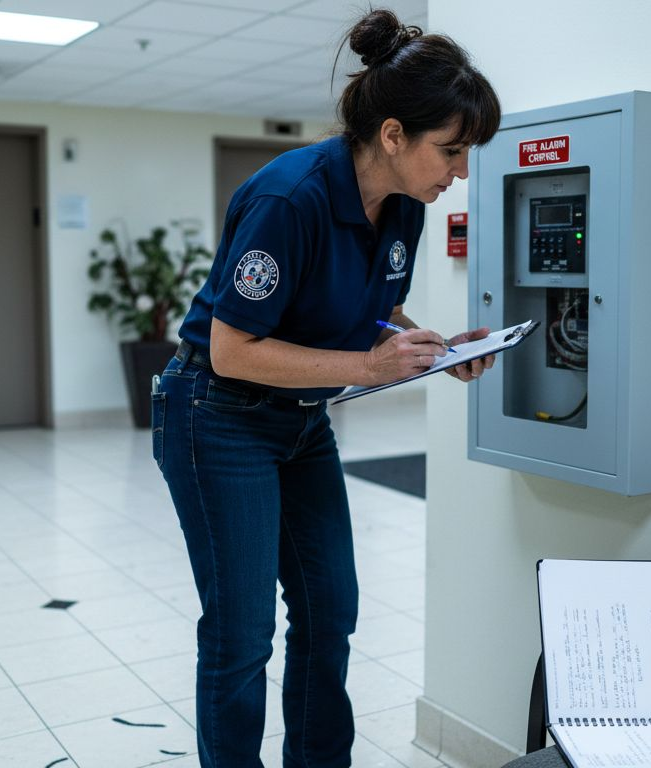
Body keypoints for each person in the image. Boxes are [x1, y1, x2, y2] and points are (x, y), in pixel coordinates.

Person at [151, 9, 500, 767]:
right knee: (242, 635)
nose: (461, 173)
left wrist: (429, 345)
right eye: (452, 150)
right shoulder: (290, 199)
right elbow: (233, 349)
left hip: (300, 421)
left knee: (328, 610)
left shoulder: (404, 204)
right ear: (393, 135)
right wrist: (371, 368)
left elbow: (373, 307)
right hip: (216, 415)